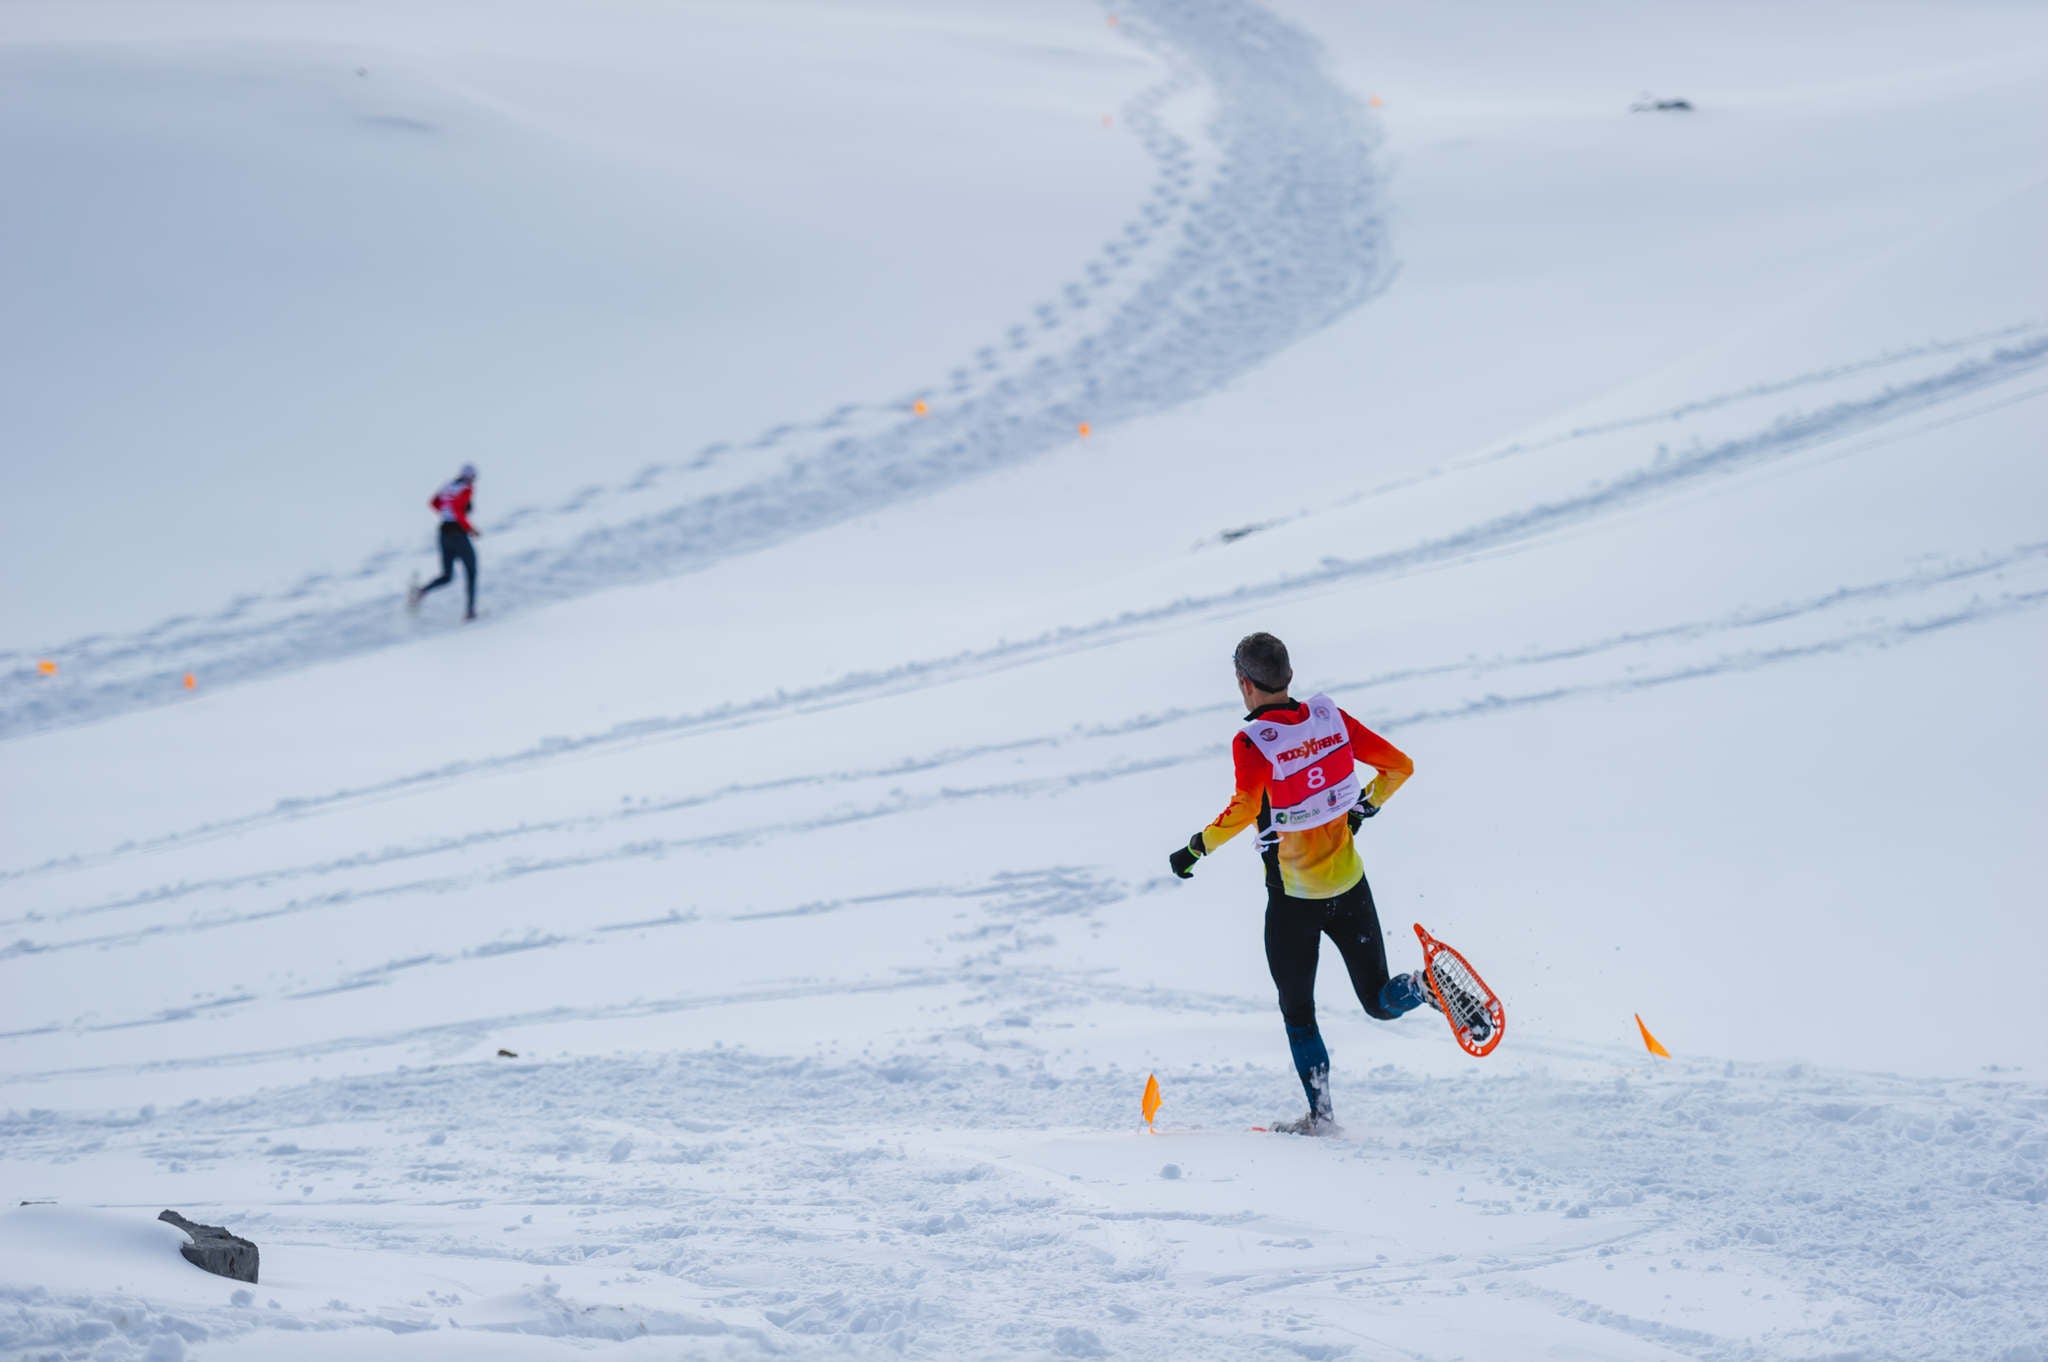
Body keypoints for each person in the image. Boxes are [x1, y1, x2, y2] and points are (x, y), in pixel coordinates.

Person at [1167, 632, 1473, 1135]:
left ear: (1245, 684)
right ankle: (1423, 986)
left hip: (1294, 903)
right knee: (1378, 999)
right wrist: (1363, 808)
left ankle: (1322, 1117)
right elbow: (1399, 766)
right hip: (1351, 887)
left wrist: (1195, 848)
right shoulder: (1329, 718)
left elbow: (1244, 808)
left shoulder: (1252, 741)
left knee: (1299, 1013)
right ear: (1288, 676)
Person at [409, 464, 480, 620]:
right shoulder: (466, 489)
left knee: (447, 575)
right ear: (470, 477)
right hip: (457, 533)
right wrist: (471, 529)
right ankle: (470, 611)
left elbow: (433, 502)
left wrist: (445, 513)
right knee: (471, 569)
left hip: (443, 533)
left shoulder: (448, 486)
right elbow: (457, 509)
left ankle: (421, 591)